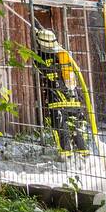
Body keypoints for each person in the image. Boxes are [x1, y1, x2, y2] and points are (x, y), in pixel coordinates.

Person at [34, 28, 93, 158]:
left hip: (57, 99)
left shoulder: (39, 57)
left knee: (60, 127)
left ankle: (66, 156)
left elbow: (39, 68)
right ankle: (84, 154)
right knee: (77, 126)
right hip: (73, 97)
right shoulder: (64, 55)